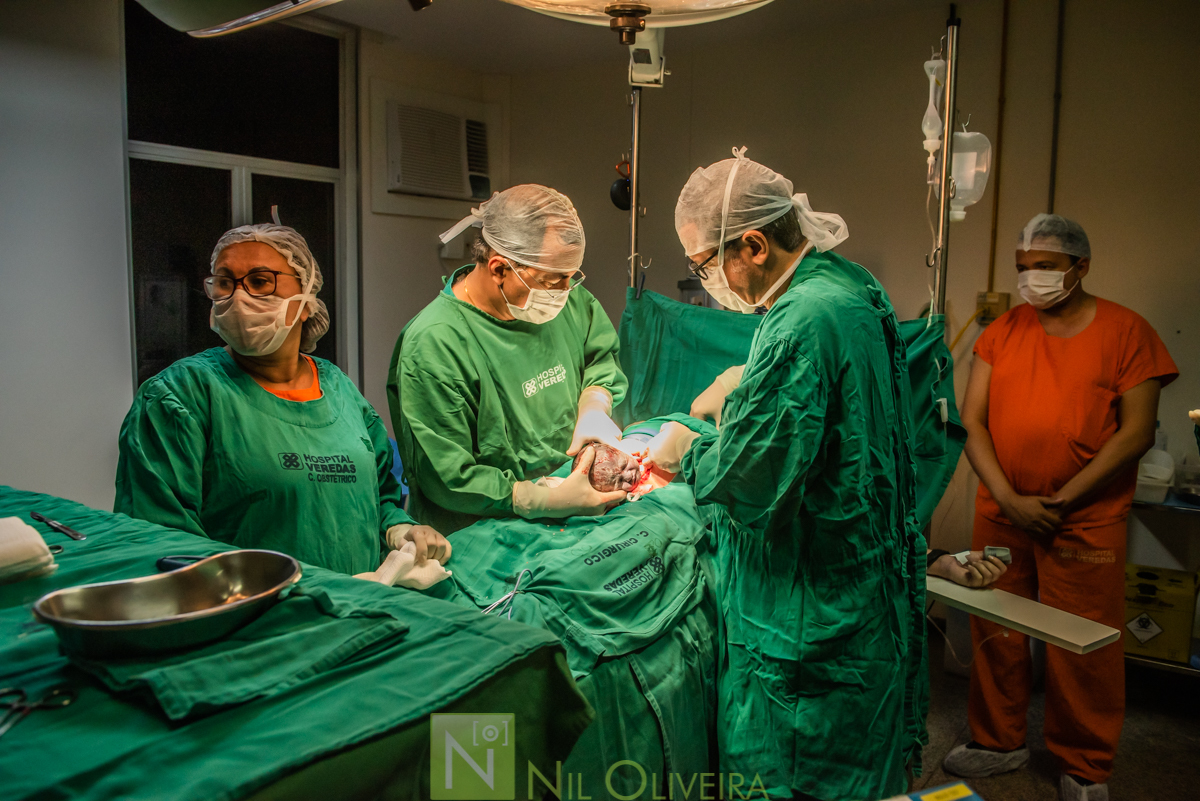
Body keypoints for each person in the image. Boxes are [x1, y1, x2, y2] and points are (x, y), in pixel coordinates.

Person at [640, 148, 927, 801]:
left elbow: (753, 480)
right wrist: (749, 384)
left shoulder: (800, 320)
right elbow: (837, 407)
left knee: (797, 775)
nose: (705, 280)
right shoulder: (849, 286)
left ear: (753, 245)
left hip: (807, 627)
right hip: (864, 594)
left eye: (704, 265)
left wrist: (688, 448)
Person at [943, 214, 1178, 801]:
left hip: (1084, 518)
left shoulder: (1128, 332)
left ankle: (1085, 763)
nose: (1032, 278)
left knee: (1083, 643)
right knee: (996, 629)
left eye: (1045, 266)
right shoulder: (1003, 332)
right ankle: (998, 741)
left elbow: (1136, 433)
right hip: (1003, 511)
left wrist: (1062, 498)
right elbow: (972, 420)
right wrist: (1008, 498)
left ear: (1081, 266)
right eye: (1023, 268)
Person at [116, 224, 449, 576]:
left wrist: (398, 528)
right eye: (225, 283)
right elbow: (162, 543)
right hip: (254, 609)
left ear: (306, 301)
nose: (239, 297)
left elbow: (379, 497)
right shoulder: (178, 397)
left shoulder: (338, 389)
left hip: (355, 601)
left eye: (260, 281)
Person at [387, 185, 630, 535]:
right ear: (500, 268)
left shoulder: (567, 301)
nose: (565, 291)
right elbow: (447, 475)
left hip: (571, 524)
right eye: (552, 280)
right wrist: (538, 499)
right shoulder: (435, 344)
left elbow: (600, 357)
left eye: (571, 277)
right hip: (482, 535)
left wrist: (595, 402)